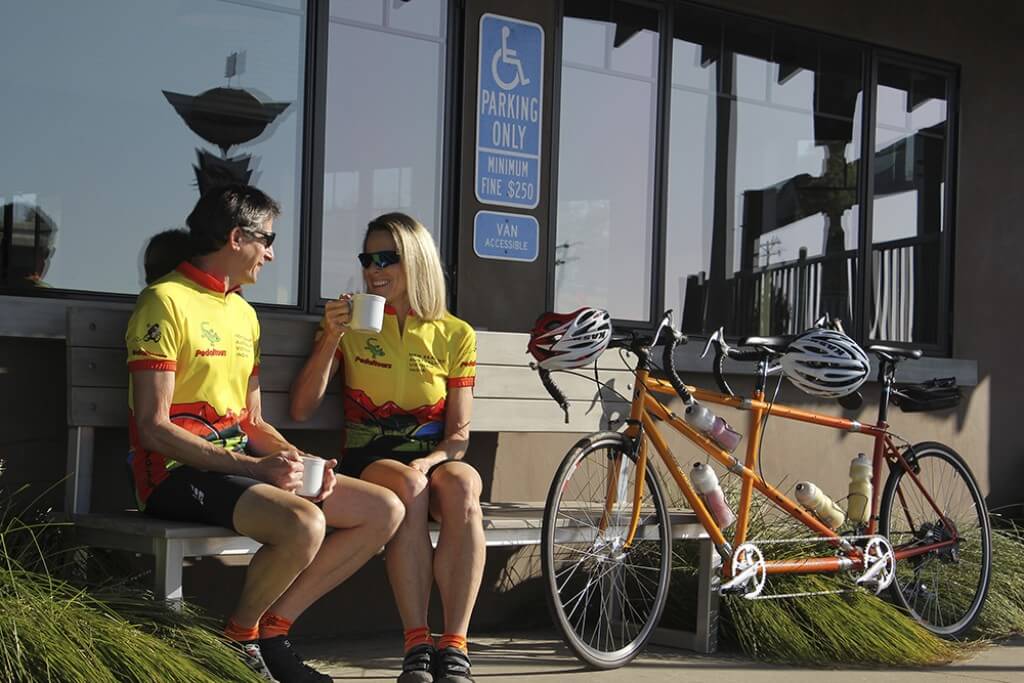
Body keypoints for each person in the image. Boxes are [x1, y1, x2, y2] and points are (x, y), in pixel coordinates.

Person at [126, 185, 404, 683]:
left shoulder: (244, 313)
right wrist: (254, 467)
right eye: (267, 240)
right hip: (174, 475)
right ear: (237, 237)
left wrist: (296, 459)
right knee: (304, 524)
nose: (272, 254)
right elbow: (153, 427)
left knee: (382, 509)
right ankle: (239, 641)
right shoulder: (163, 302)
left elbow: (252, 422)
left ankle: (269, 631)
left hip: (238, 471)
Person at [290, 213, 483, 683]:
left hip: (429, 460)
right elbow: (301, 409)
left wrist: (434, 458)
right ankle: (417, 643)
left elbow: (458, 435)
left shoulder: (456, 333)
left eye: (387, 258)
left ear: (414, 261)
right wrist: (332, 336)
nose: (374, 269)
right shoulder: (351, 321)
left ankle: (453, 646)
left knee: (463, 486)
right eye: (367, 258)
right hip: (368, 459)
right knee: (408, 485)